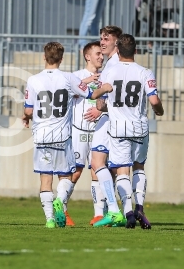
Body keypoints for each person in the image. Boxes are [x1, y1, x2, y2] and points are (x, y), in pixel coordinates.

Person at [22, 41, 111, 229]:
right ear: (61, 59)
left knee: (45, 178)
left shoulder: (33, 80)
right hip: (63, 136)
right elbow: (91, 95)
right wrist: (105, 88)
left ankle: (49, 220)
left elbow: (28, 110)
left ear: (44, 57)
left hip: (42, 137)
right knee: (65, 176)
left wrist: (26, 117)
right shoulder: (68, 78)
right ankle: (60, 200)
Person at [95, 34, 164, 228]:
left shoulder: (109, 72)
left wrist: (110, 107)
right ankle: (139, 207)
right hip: (139, 127)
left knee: (121, 170)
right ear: (135, 50)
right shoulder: (145, 72)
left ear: (117, 50)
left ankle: (128, 212)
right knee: (139, 167)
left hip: (118, 128)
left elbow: (100, 103)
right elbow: (154, 101)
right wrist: (159, 111)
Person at [63, 41, 105, 226]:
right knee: (77, 172)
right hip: (79, 131)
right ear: (87, 56)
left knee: (98, 170)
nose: (101, 56)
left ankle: (99, 215)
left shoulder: (107, 76)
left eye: (102, 54)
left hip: (99, 131)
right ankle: (62, 208)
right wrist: (83, 84)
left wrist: (100, 110)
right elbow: (63, 97)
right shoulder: (76, 76)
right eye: (97, 53)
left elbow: (111, 99)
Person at [90, 25, 126, 227]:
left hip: (109, 119)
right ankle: (126, 211)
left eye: (106, 39)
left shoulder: (111, 67)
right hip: (123, 121)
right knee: (119, 168)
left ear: (116, 42)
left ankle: (113, 211)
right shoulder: (120, 64)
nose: (102, 42)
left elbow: (102, 101)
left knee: (97, 162)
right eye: (101, 38)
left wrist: (99, 104)